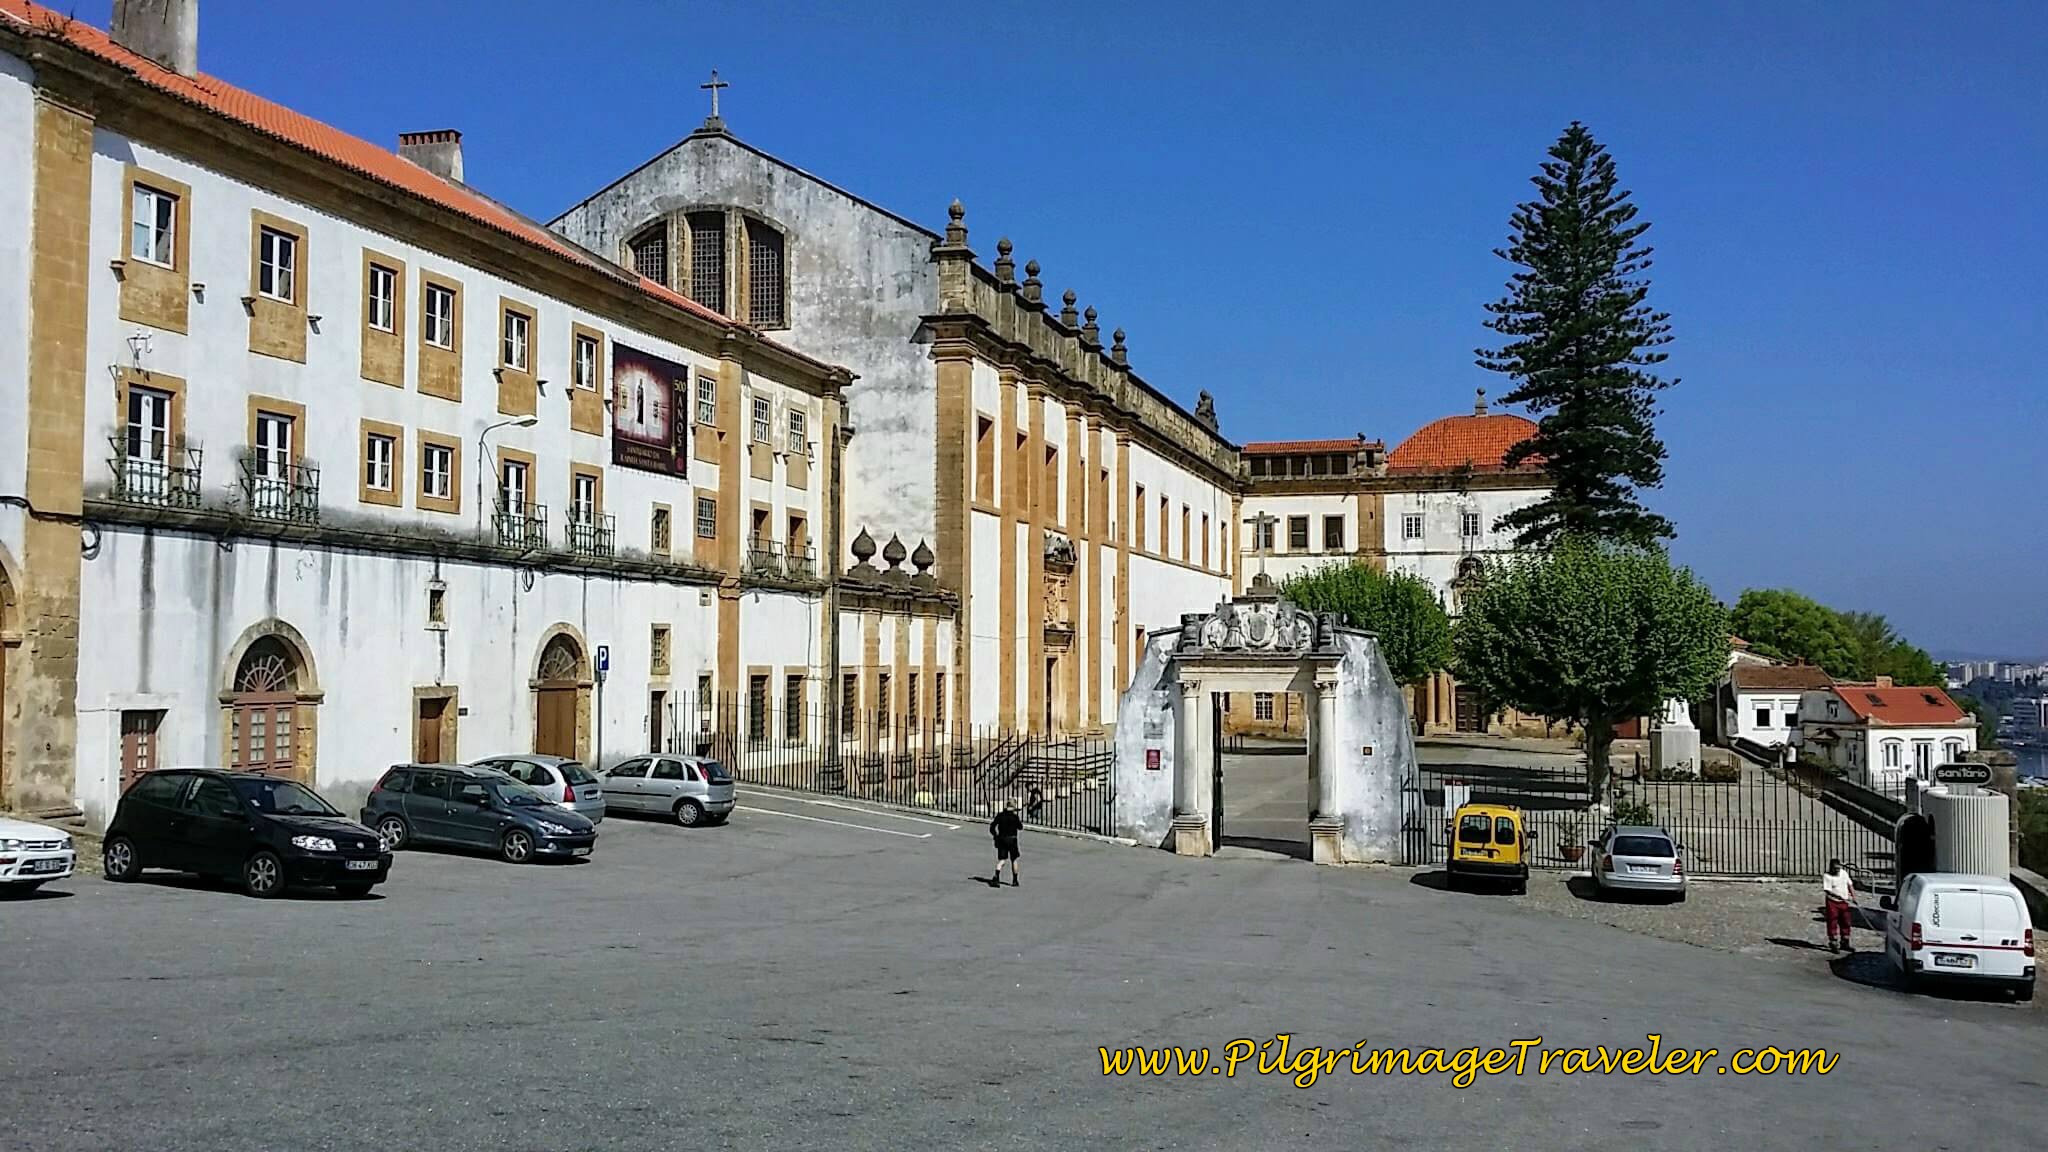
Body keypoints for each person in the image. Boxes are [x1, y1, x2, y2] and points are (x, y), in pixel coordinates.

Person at [1822, 858, 1856, 952]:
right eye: (1835, 869)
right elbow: (1827, 891)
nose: (1837, 871)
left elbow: (1850, 885)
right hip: (1832, 902)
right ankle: (1833, 942)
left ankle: (1845, 941)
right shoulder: (1827, 876)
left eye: (1838, 868)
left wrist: (1853, 897)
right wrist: (1838, 896)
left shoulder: (1844, 873)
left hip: (1844, 902)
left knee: (1846, 920)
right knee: (1833, 920)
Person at [990, 799, 1023, 888]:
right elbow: (1020, 827)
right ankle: (1015, 880)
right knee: (1014, 859)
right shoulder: (1015, 817)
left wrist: (995, 836)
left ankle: (996, 877)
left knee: (1002, 860)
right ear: (1014, 806)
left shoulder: (1000, 815)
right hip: (1012, 839)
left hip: (1002, 839)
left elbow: (992, 826)